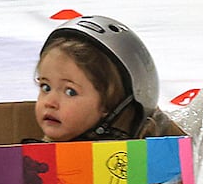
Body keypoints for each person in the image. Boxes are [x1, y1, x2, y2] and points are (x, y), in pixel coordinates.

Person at [31, 15, 173, 142]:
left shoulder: (126, 162)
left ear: (109, 105)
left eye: (70, 92)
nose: (50, 102)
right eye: (46, 87)